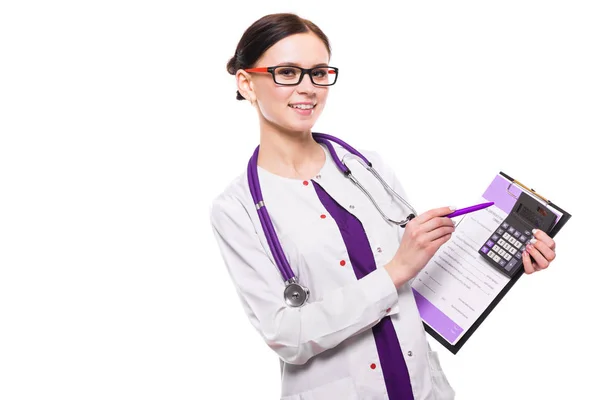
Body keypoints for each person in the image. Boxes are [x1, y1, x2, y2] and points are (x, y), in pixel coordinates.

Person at [209, 13, 557, 400]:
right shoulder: (236, 208)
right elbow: (287, 335)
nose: (308, 88)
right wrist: (395, 270)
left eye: (319, 72)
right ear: (247, 83)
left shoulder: (366, 167)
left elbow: (417, 286)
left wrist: (502, 262)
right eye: (287, 72)